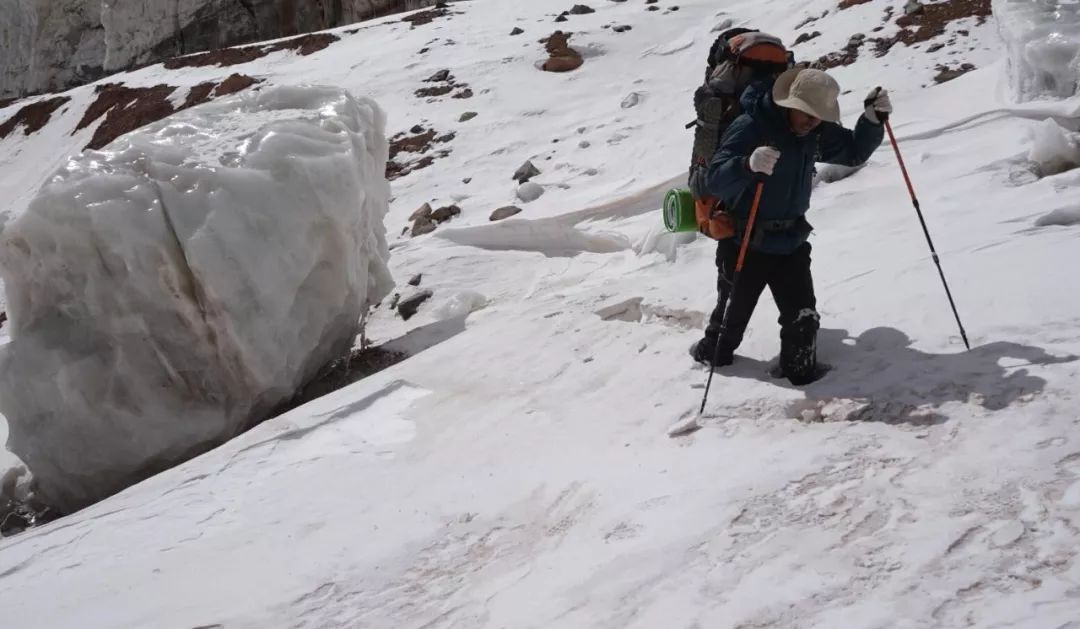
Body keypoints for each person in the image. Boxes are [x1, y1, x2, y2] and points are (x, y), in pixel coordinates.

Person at [689, 67, 893, 385]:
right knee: (729, 325)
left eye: (818, 116)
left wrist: (871, 122)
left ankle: (800, 374)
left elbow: (852, 152)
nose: (813, 121)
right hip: (745, 242)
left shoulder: (815, 132)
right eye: (807, 114)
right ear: (789, 104)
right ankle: (710, 358)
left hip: (792, 242)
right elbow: (716, 178)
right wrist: (746, 164)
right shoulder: (751, 127)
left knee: (803, 319)